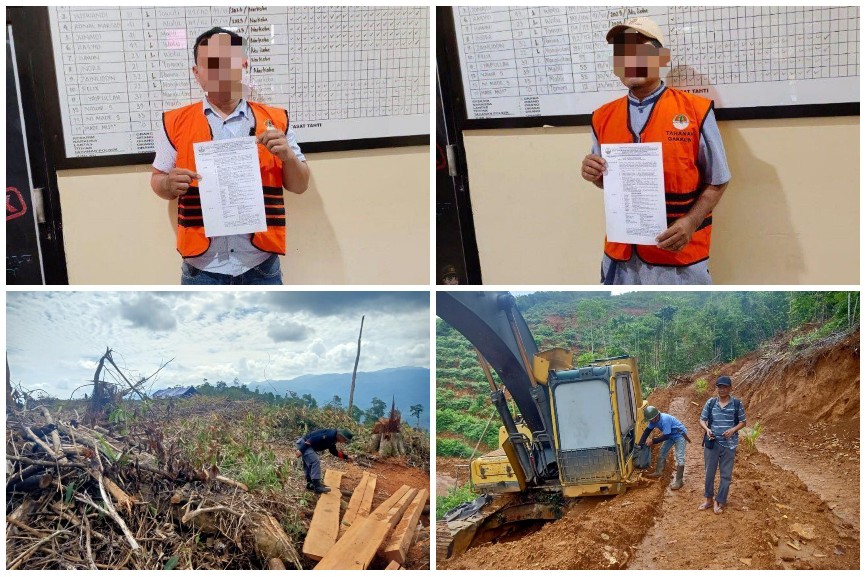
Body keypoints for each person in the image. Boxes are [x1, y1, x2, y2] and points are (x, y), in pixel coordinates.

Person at [150, 27, 310, 285]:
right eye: (210, 64)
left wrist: (288, 157)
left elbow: (300, 185)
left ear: (243, 64)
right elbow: (157, 180)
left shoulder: (275, 120)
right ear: (196, 73)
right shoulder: (174, 122)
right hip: (201, 269)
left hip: (260, 265)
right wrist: (168, 184)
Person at [580, 17, 731, 285]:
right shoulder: (602, 117)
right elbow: (609, 182)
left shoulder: (696, 111)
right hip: (621, 259)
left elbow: (718, 180)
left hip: (679, 261)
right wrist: (595, 174)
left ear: (661, 58)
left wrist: (690, 223)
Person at [699, 375, 746, 513]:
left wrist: (733, 430)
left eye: (725, 387)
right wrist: (707, 429)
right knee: (709, 473)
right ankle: (708, 500)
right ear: (717, 388)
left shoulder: (737, 404)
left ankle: (719, 501)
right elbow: (702, 419)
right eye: (720, 387)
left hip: (729, 445)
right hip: (712, 444)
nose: (722, 389)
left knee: (726, 475)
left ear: (730, 388)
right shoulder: (711, 403)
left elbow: (743, 422)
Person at [637, 405, 690, 490]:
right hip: (670, 435)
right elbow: (647, 431)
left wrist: (653, 441)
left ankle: (679, 481)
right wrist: (639, 444)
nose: (651, 421)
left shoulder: (665, 420)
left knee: (680, 457)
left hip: (680, 435)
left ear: (656, 416)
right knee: (662, 452)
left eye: (651, 419)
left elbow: (666, 436)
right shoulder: (653, 421)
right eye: (650, 420)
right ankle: (658, 472)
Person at [295, 428, 353, 494]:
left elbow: (333, 451)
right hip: (304, 444)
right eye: (345, 439)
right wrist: (301, 450)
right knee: (315, 461)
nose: (345, 441)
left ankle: (310, 484)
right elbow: (312, 439)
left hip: (306, 445)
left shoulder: (333, 439)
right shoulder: (329, 435)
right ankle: (317, 487)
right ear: (340, 436)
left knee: (309, 464)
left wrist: (346, 457)